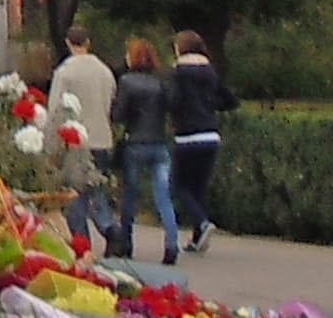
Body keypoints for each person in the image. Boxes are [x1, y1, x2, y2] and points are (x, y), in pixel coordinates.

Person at [48, 25, 120, 251]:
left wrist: (51, 141)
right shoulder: (105, 71)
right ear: (88, 42)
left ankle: (82, 242)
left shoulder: (65, 72)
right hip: (102, 137)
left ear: (69, 43)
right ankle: (109, 226)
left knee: (74, 195)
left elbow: (55, 109)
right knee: (96, 186)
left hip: (76, 140)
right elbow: (111, 101)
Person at [168, 27, 239, 256]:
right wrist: (209, 106)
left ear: (181, 49)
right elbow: (229, 99)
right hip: (210, 134)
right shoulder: (210, 72)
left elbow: (174, 100)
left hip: (187, 135)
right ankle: (199, 238)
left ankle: (203, 222)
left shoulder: (178, 73)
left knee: (179, 185)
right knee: (198, 188)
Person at [109, 37, 176, 265]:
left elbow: (118, 115)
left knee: (130, 194)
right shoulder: (161, 82)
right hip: (159, 142)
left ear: (133, 57)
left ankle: (126, 242)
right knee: (163, 196)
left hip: (135, 143)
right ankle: (171, 244)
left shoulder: (127, 82)